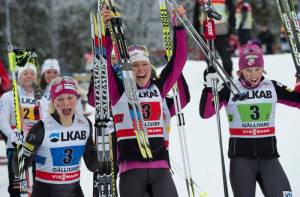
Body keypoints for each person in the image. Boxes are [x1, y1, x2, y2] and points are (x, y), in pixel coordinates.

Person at [88, 5, 187, 197]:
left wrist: (179, 27)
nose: (141, 70)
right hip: (131, 168)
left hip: (160, 167)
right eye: (135, 65)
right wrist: (107, 31)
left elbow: (179, 60)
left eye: (144, 64)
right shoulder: (119, 91)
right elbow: (105, 64)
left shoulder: (159, 88)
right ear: (127, 69)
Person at [199, 43, 298, 196]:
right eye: (248, 70)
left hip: (269, 158)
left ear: (263, 69)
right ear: (240, 70)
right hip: (241, 160)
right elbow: (206, 113)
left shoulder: (272, 87)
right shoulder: (229, 88)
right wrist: (208, 88)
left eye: (257, 69)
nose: (253, 75)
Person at [13, 76, 98, 197]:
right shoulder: (41, 128)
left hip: (74, 192)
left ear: (76, 98)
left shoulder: (85, 125)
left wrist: (104, 143)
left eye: (70, 97)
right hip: (45, 192)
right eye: (60, 99)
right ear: (53, 101)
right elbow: (19, 168)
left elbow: (93, 166)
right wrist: (19, 147)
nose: (65, 103)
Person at [0, 62, 40, 197]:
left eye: (32, 74)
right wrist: (13, 135)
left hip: (37, 148)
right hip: (15, 147)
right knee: (17, 187)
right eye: (25, 73)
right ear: (19, 77)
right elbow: (2, 121)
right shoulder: (9, 96)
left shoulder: (41, 98)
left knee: (38, 185)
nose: (29, 76)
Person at [193, 0, 236, 77]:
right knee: (210, 57)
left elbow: (232, 13)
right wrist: (196, 32)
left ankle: (229, 75)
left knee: (225, 56)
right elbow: (196, 15)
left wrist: (232, 30)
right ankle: (212, 75)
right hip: (207, 31)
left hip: (221, 31)